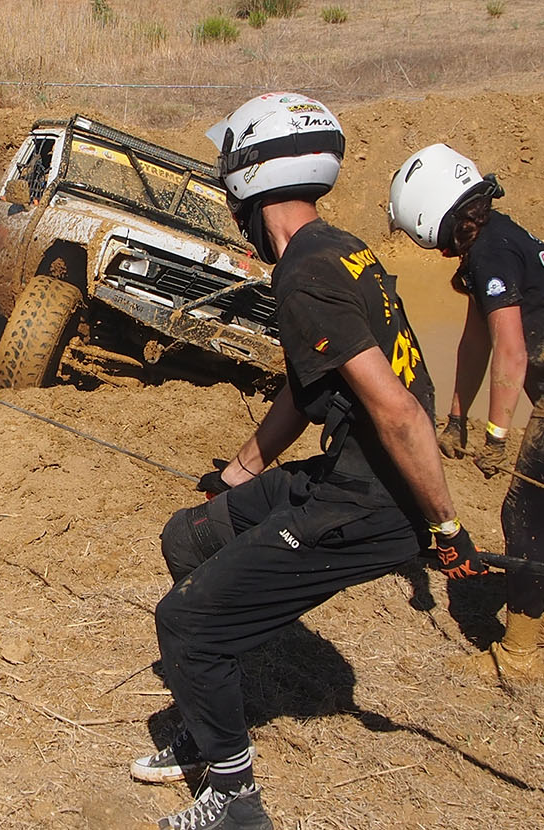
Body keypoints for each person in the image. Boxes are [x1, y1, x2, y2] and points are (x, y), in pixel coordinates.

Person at [132, 93, 487, 830]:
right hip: (350, 475)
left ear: (246, 186)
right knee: (189, 536)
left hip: (367, 505)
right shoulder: (340, 248)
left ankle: (235, 802)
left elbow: (397, 409)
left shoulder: (308, 275)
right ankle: (210, 716)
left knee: (188, 624)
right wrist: (239, 471)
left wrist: (444, 527)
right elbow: (310, 385)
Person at [388, 143, 543, 683]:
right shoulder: (499, 239)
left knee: (524, 516)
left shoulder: (491, 254)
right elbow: (476, 340)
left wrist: (496, 435)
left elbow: (512, 351)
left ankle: (521, 654)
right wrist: (458, 418)